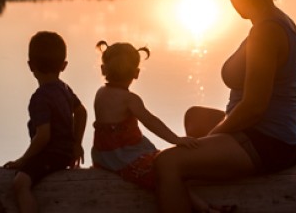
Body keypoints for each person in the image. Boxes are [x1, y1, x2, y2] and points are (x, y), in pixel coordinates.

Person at [153, 0, 296, 212]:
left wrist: (214, 135)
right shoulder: (273, 22)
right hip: (265, 132)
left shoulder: (267, 32)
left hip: (268, 141)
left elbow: (254, 107)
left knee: (166, 163)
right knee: (194, 117)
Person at [89, 41, 235, 212]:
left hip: (103, 155)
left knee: (167, 170)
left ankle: (204, 207)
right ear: (136, 73)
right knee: (169, 175)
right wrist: (176, 139)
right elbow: (151, 122)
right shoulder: (130, 99)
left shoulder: (100, 93)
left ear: (103, 70)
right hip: (125, 157)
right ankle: (205, 208)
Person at [3, 31, 88, 213]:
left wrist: (23, 160)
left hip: (51, 155)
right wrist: (77, 143)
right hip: (65, 153)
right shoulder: (64, 89)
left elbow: (43, 136)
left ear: (30, 65)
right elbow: (82, 112)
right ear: (64, 66)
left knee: (20, 183)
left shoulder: (40, 98)